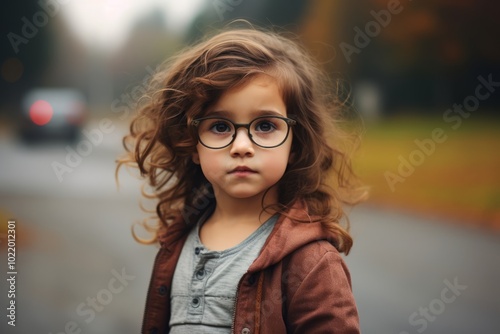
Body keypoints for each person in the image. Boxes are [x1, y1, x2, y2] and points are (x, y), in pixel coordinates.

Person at [117, 24, 367, 334]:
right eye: (220, 127)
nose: (242, 147)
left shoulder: (312, 262)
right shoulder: (177, 243)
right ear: (191, 144)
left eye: (265, 126)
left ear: (295, 143)